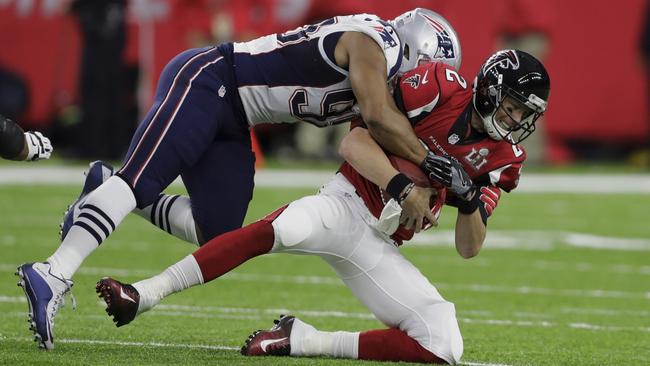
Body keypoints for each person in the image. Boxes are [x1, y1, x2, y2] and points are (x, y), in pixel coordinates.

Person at [16, 8, 462, 350]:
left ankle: (102, 187)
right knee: (137, 181)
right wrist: (431, 159)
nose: (428, 88)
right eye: (433, 75)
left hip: (237, 118)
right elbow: (381, 119)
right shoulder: (374, 41)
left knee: (219, 232)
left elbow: (369, 137)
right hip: (209, 80)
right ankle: (53, 272)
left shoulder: (381, 72)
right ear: (420, 52)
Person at [95, 50, 551, 364]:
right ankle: (144, 294)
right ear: (489, 91)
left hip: (381, 243)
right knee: (276, 231)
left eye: (524, 116)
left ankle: (305, 340)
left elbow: (469, 248)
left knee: (444, 341)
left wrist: (469, 199)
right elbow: (353, 142)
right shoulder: (436, 86)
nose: (516, 123)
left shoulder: (504, 158)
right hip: (345, 204)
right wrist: (402, 186)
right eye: (512, 109)